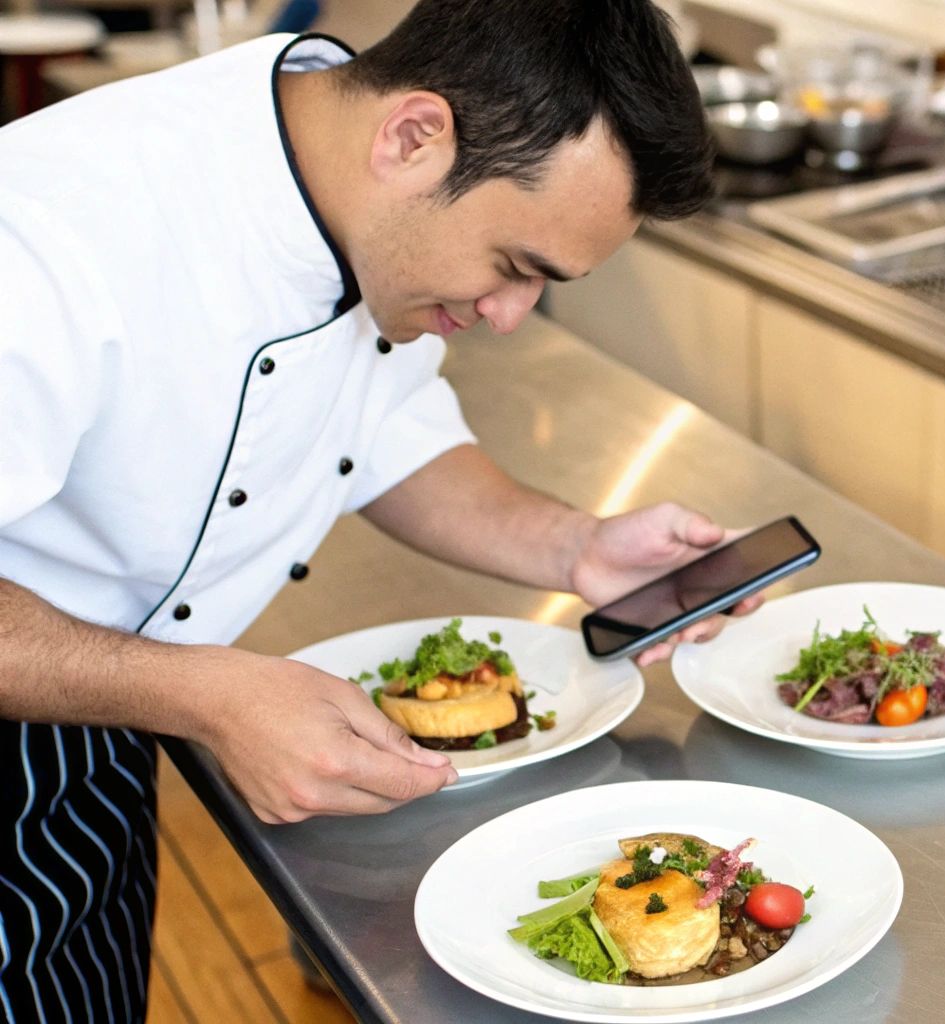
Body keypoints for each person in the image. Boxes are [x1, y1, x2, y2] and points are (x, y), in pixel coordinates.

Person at [0, 2, 741, 1019]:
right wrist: (205, 694)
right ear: (413, 136)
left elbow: (382, 431)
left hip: (87, 707)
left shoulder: (343, 173)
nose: (509, 315)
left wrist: (575, 545)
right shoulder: (46, 232)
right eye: (516, 266)